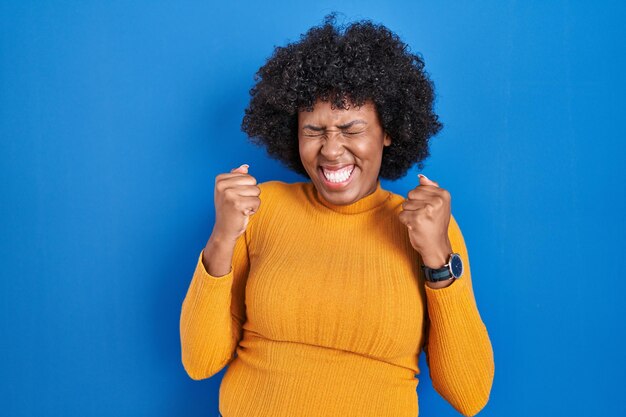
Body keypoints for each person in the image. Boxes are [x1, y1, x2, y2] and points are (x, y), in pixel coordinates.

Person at [180, 13, 494, 417]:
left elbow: (469, 394)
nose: (330, 150)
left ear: (388, 131)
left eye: (350, 129)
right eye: (314, 130)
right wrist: (222, 236)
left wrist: (436, 257)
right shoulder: (261, 210)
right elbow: (200, 362)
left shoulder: (427, 227)